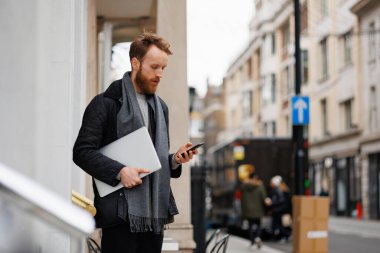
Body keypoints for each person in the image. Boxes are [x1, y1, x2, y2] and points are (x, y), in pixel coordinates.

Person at [73, 32, 197, 253]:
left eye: (163, 68)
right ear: (135, 63)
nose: (160, 74)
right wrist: (120, 171)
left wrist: (175, 160)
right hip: (120, 217)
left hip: (154, 218)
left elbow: (153, 159)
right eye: (154, 67)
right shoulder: (105, 103)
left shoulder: (161, 108)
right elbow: (82, 151)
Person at [240, 172, 267, 249]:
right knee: (258, 224)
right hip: (258, 208)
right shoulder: (260, 185)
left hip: (248, 209)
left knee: (250, 225)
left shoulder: (244, 186)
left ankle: (252, 241)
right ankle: (257, 237)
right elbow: (263, 197)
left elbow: (240, 196)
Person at [265, 175, 290, 242]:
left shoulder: (278, 191)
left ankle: (285, 235)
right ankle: (278, 237)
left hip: (278, 210)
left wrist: (272, 203)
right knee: (277, 224)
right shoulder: (282, 190)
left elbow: (280, 201)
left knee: (276, 225)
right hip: (280, 210)